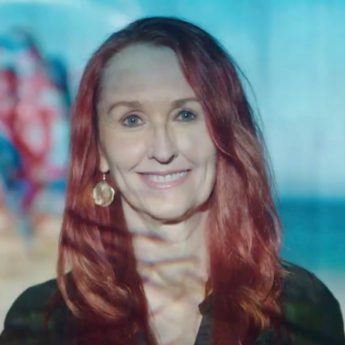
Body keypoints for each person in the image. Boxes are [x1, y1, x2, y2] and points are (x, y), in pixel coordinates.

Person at [0, 17, 344, 345]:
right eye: (132, 119)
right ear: (99, 148)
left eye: (185, 115)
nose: (162, 149)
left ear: (224, 134)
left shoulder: (301, 309)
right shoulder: (42, 321)